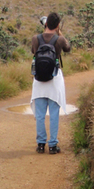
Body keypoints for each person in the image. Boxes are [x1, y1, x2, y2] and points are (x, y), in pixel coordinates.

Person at [31, 12, 71, 154]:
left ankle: (41, 144)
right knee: (54, 113)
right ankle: (53, 145)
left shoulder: (36, 38)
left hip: (39, 80)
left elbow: (33, 51)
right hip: (54, 79)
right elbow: (68, 48)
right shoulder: (59, 40)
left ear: (46, 23)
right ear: (58, 25)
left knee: (40, 114)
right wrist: (60, 33)